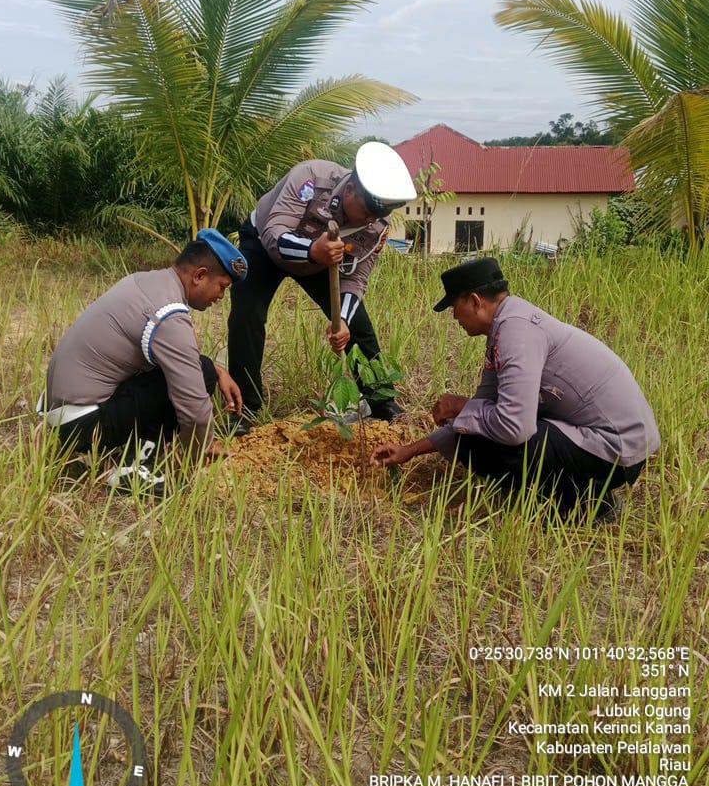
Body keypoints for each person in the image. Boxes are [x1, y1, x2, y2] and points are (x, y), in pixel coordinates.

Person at [371, 258, 660, 520]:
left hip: (617, 450)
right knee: (473, 430)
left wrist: (462, 407)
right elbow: (481, 409)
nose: (454, 317)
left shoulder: (516, 332)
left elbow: (513, 428)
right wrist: (409, 451)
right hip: (606, 441)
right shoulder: (504, 329)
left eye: (454, 307)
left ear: (474, 301)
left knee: (481, 443)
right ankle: (579, 494)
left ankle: (582, 505)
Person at [227, 141, 416, 431]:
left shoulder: (377, 225)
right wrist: (313, 251)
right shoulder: (311, 179)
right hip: (266, 245)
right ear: (350, 189)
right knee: (246, 314)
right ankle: (245, 409)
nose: (369, 221)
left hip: (321, 257)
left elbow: (357, 277)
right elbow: (273, 232)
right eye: (365, 212)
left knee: (359, 325)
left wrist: (343, 318)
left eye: (375, 217)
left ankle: (381, 399)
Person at [41, 229, 248, 490]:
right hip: (82, 427)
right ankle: (134, 469)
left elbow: (180, 358)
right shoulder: (168, 316)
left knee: (204, 368)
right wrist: (199, 451)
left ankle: (120, 451)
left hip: (62, 413)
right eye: (222, 287)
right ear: (199, 275)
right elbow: (194, 409)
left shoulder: (147, 282)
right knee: (199, 375)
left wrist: (218, 370)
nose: (220, 297)